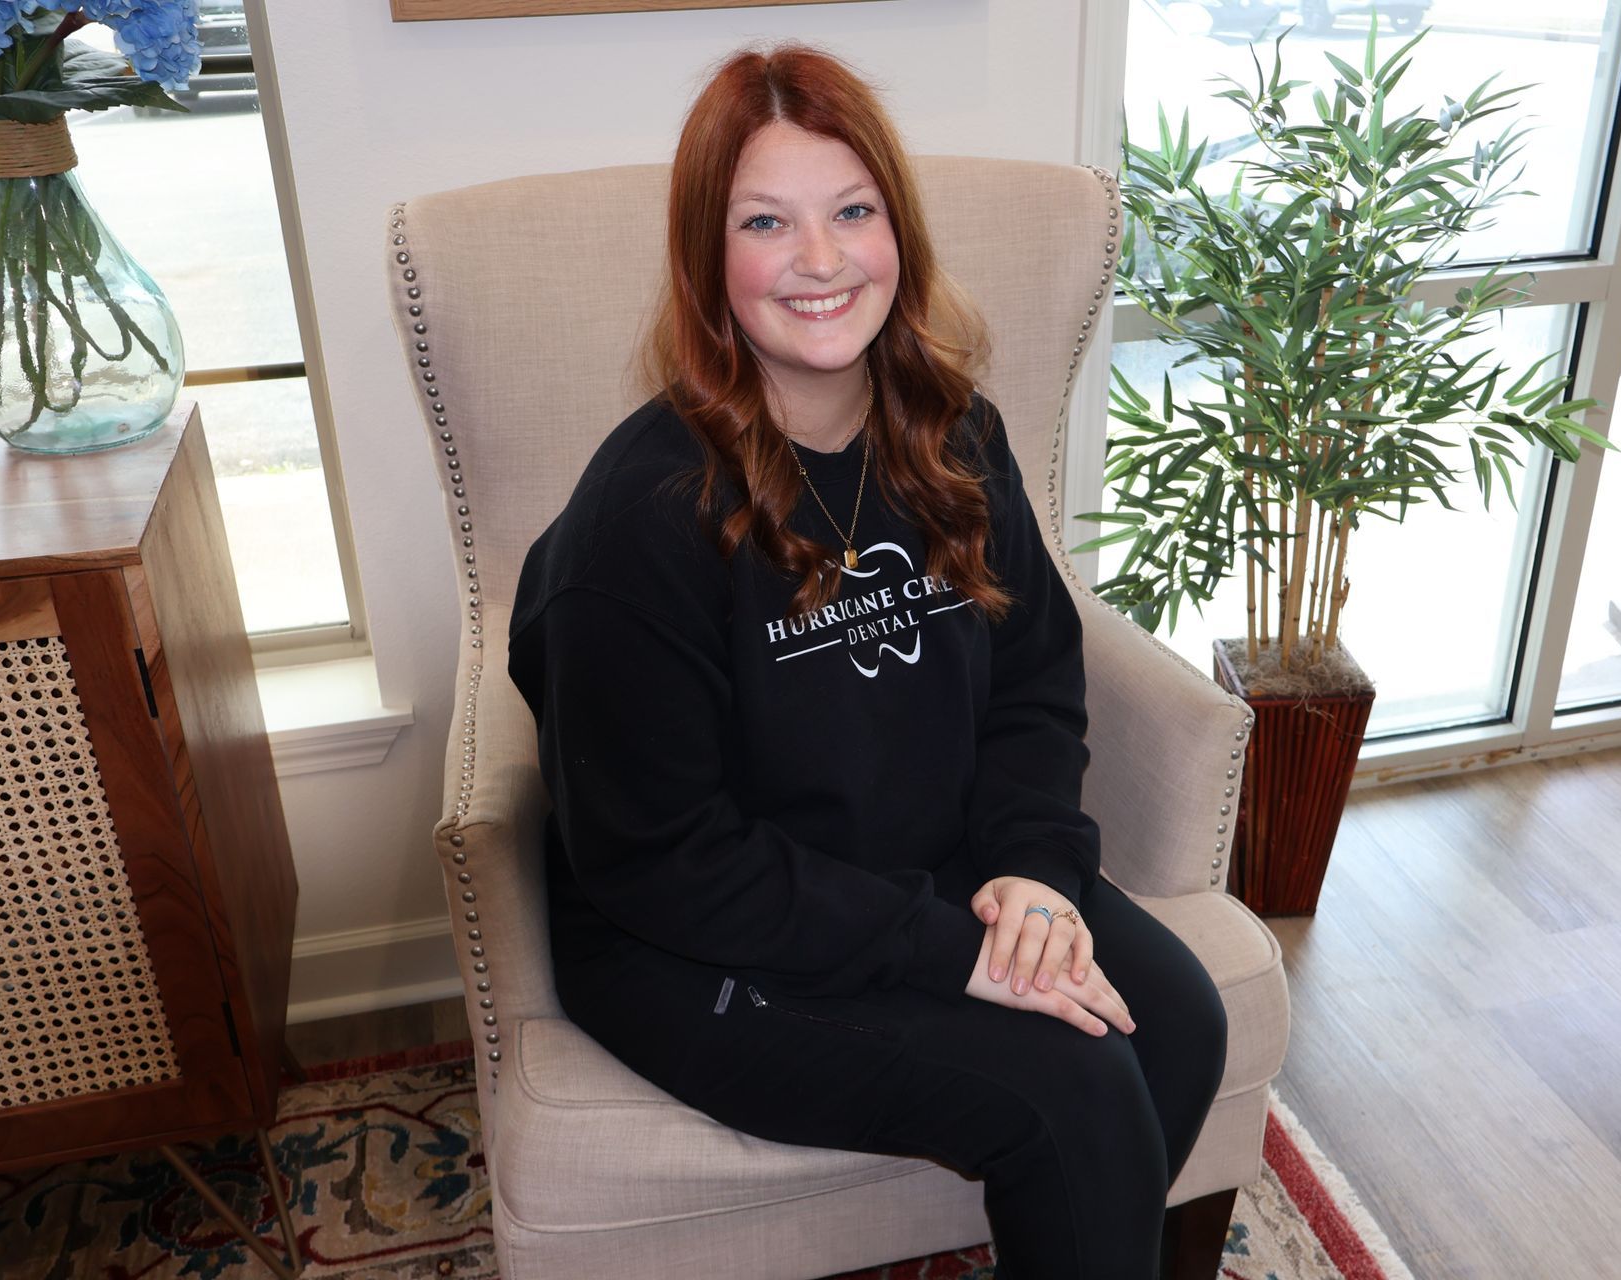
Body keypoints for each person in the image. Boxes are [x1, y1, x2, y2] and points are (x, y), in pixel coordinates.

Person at [505, 41, 1229, 1280]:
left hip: (931, 867)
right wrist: (959, 955)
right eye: (767, 222)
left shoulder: (953, 437)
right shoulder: (642, 519)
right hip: (699, 945)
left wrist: (1034, 872)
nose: (824, 258)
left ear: (899, 227)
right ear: (705, 258)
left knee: (1179, 1019)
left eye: (853, 210)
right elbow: (669, 862)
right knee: (1073, 1090)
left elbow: (1035, 684)